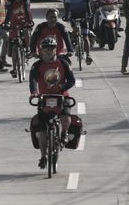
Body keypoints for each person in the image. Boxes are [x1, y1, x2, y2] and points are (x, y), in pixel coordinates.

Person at [29, 37, 75, 169]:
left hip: (61, 96)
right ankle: (43, 156)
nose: (49, 52)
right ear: (41, 51)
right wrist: (33, 92)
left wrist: (63, 87)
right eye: (46, 49)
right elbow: (32, 80)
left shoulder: (63, 63)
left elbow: (71, 80)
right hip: (44, 98)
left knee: (65, 117)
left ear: (56, 50)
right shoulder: (37, 65)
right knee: (43, 130)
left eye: (52, 49)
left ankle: (64, 133)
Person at [4, 0, 33, 77]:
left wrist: (29, 22)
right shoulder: (11, 2)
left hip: (25, 22)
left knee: (26, 31)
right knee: (13, 46)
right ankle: (14, 69)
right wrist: (6, 23)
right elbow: (8, 13)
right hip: (14, 24)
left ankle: (28, 49)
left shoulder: (25, 0)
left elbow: (27, 10)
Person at [63, 0, 93, 65]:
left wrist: (89, 15)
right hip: (74, 16)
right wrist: (66, 16)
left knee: (85, 36)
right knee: (75, 30)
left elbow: (88, 7)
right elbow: (67, 7)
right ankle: (72, 45)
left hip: (83, 16)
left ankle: (88, 55)